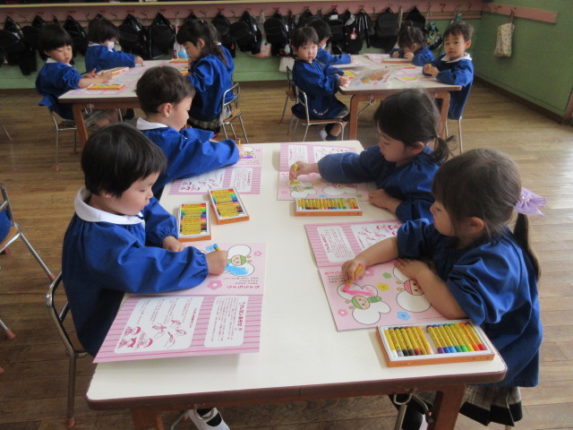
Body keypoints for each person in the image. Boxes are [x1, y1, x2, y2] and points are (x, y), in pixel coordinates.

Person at [342, 148, 543, 429]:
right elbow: (400, 241)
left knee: (409, 371)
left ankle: (421, 413)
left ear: (473, 224)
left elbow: (454, 307)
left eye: (439, 207)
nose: (431, 208)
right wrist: (362, 259)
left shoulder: (497, 261)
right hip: (458, 320)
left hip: (495, 345)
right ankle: (416, 406)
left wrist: (422, 273)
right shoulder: (451, 227)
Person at [61, 123, 230, 430]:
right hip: (109, 325)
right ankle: (197, 403)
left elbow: (148, 210)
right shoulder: (98, 239)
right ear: (108, 190)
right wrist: (201, 264)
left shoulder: (114, 199)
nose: (150, 194)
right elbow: (142, 268)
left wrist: (166, 235)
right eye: (143, 188)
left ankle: (198, 399)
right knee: (196, 348)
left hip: (130, 299)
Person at [289, 89, 449, 222]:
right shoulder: (383, 155)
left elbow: (429, 216)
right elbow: (353, 165)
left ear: (415, 147)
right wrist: (315, 167)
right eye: (380, 137)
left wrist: (391, 203)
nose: (379, 145)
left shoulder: (427, 177)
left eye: (386, 142)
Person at [135, 66, 240, 197]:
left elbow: (180, 136)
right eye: (187, 110)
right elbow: (204, 155)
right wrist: (233, 149)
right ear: (167, 109)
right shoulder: (165, 144)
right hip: (157, 202)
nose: (187, 116)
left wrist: (203, 137)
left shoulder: (142, 132)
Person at [35, 24, 114, 124]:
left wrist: (84, 77)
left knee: (112, 108)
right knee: (111, 110)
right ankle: (103, 133)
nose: (66, 53)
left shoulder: (50, 67)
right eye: (60, 50)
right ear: (47, 52)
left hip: (70, 107)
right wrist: (101, 79)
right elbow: (79, 83)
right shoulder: (58, 69)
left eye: (69, 48)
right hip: (75, 109)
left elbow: (68, 82)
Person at [290, 26, 350, 141]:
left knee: (341, 109)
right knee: (347, 113)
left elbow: (325, 68)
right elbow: (322, 87)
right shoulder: (303, 68)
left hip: (316, 101)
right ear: (295, 49)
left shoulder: (311, 62)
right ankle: (330, 138)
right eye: (305, 48)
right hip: (315, 106)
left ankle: (327, 131)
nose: (311, 52)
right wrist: (336, 80)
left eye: (314, 47)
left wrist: (338, 73)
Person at [176, 20, 234, 133]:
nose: (187, 52)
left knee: (177, 110)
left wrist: (176, 77)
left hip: (207, 115)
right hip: (222, 106)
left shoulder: (209, 63)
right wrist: (194, 62)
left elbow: (194, 83)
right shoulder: (221, 51)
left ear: (200, 43)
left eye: (187, 48)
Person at [423, 21, 474, 120]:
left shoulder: (465, 65)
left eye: (456, 42)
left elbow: (457, 78)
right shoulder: (444, 58)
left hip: (451, 105)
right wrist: (427, 69)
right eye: (447, 43)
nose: (451, 46)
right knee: (418, 100)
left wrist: (438, 74)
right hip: (436, 98)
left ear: (467, 44)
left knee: (420, 105)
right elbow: (433, 65)